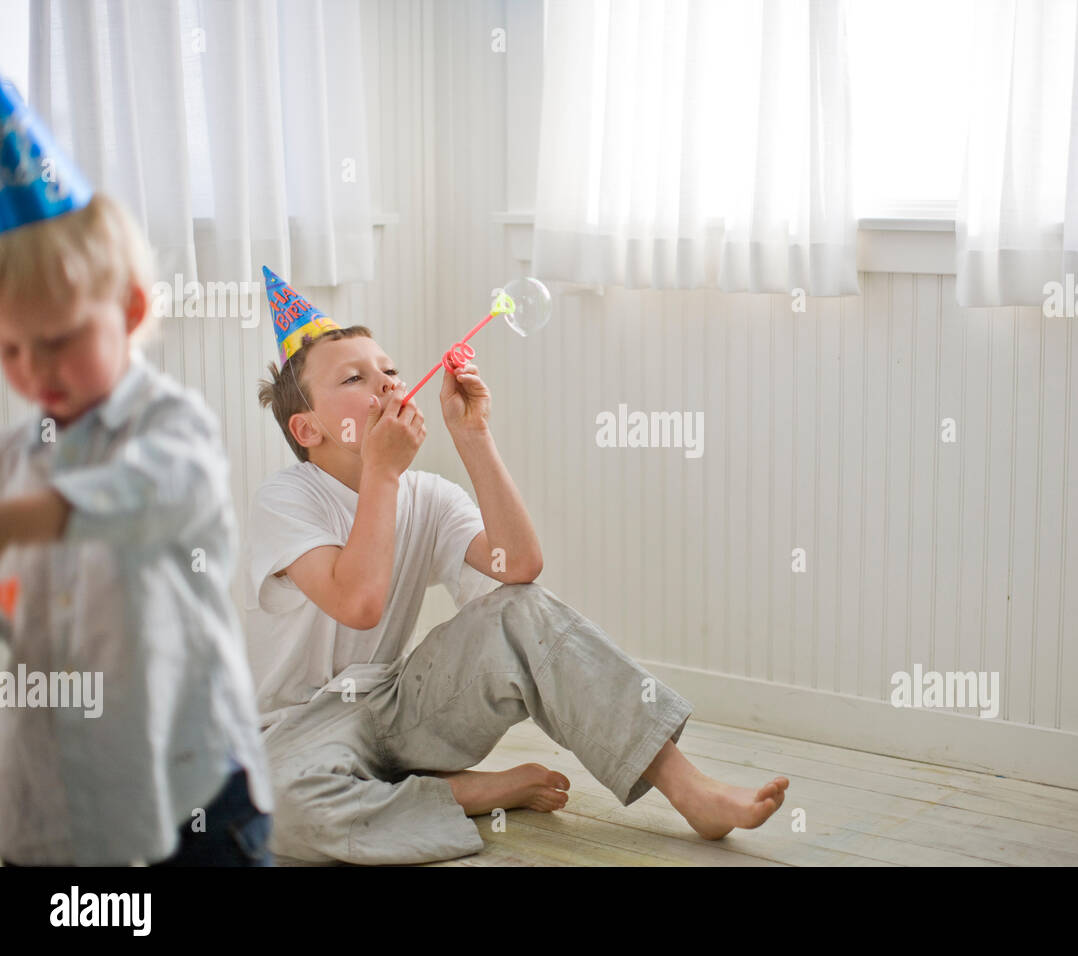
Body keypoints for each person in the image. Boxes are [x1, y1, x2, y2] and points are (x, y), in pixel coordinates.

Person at [242, 267, 789, 864]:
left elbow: (520, 567)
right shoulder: (286, 500)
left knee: (521, 608)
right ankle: (471, 793)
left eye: (390, 371)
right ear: (307, 428)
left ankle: (689, 788)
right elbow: (360, 601)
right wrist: (383, 473)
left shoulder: (426, 493)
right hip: (292, 737)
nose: (386, 384)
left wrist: (473, 435)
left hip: (390, 709)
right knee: (270, 809)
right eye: (354, 377)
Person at [0, 77, 273, 866]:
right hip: (50, 803)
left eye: (58, 339)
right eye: (11, 349)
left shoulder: (174, 428)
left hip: (187, 789)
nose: (35, 369)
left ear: (126, 308)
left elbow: (150, 494)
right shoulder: (20, 457)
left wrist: (20, 518)